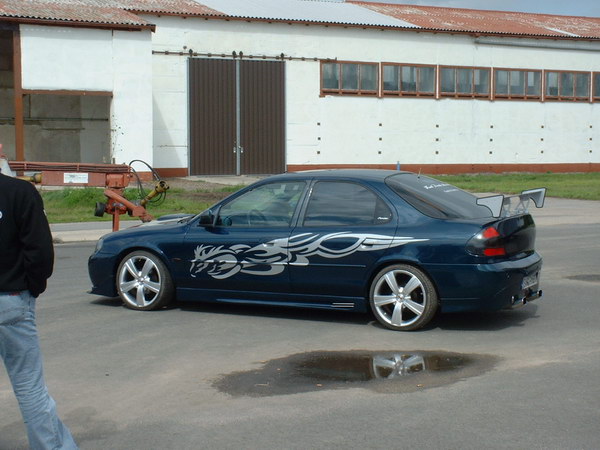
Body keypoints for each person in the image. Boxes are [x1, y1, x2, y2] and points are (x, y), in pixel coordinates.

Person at [0, 166, 78, 449]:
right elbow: (40, 250)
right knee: (29, 388)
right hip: (10, 300)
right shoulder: (20, 192)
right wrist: (32, 287)